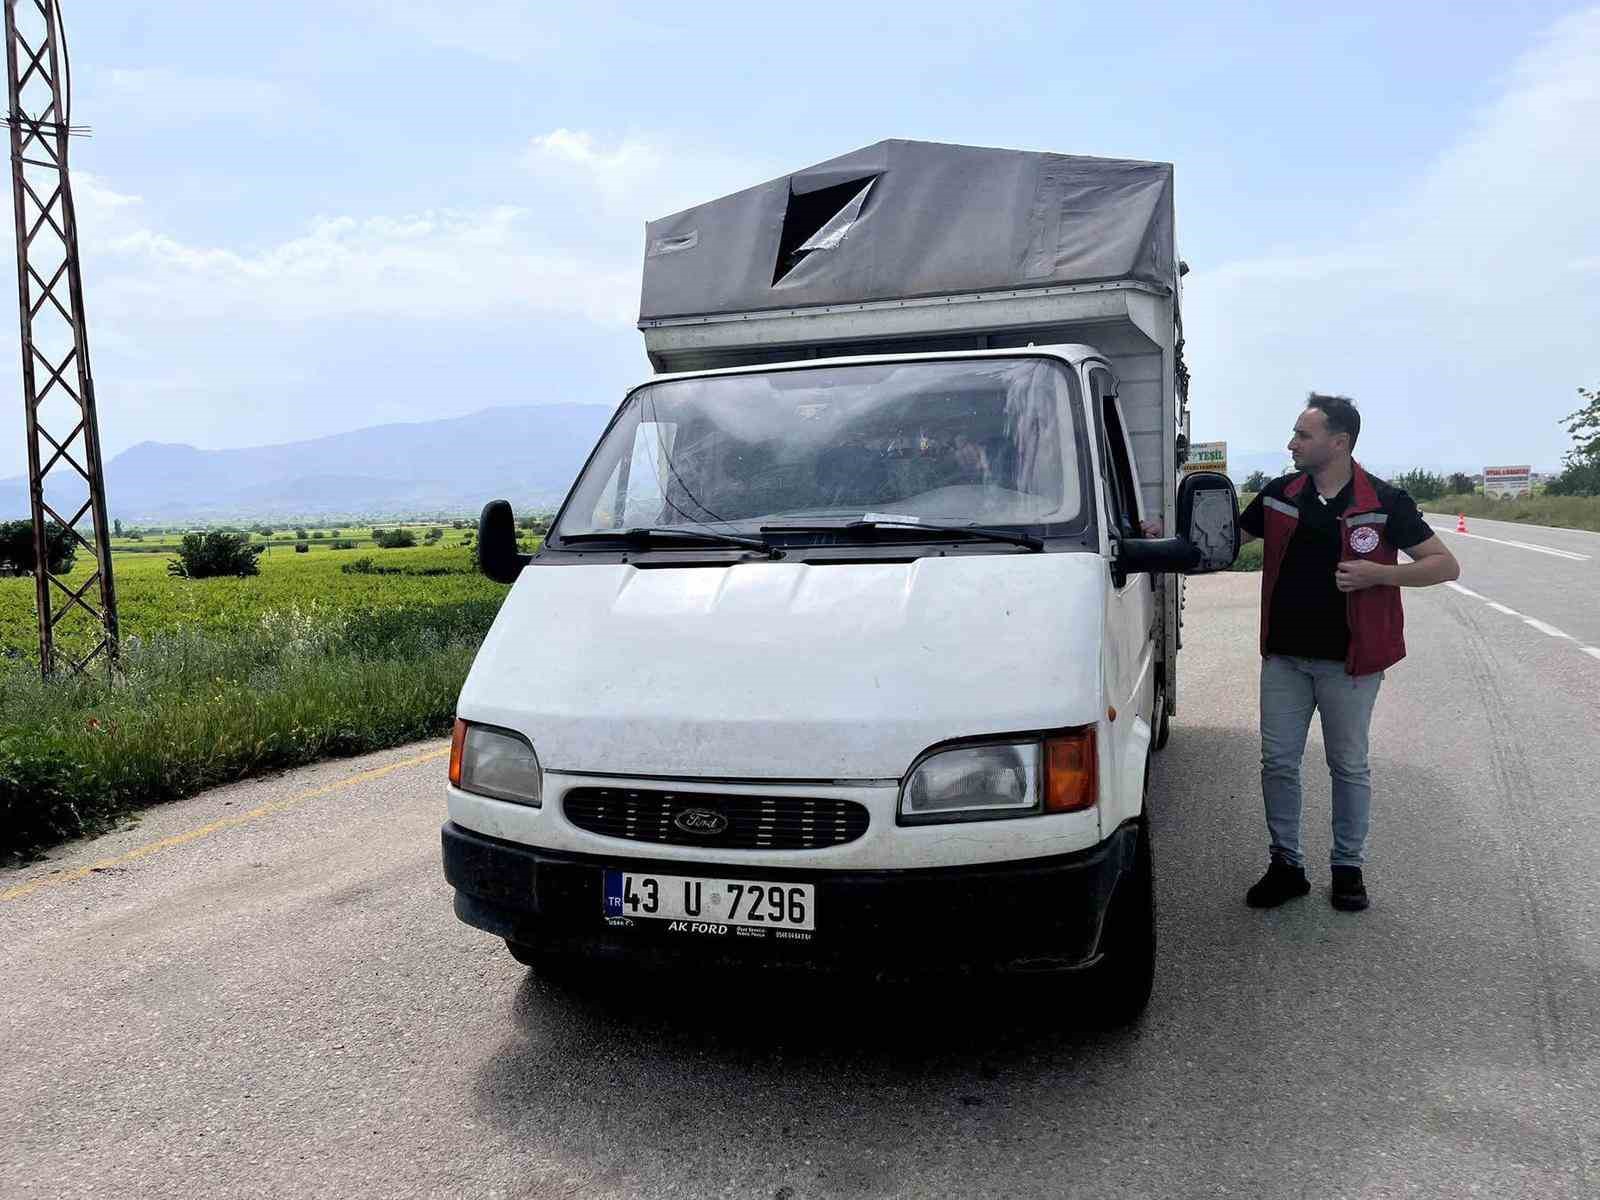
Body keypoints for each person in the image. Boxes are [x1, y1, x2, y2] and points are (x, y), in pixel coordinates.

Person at [1237, 394, 1459, 912]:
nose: (1292, 443)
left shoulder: (1384, 501)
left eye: (1303, 435)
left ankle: (1347, 869)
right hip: (1285, 661)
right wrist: (1171, 540)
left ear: (1339, 443)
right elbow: (1226, 541)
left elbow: (1444, 565)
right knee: (1278, 763)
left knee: (1349, 766)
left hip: (1350, 664)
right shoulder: (1278, 494)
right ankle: (1286, 866)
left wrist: (1381, 573)